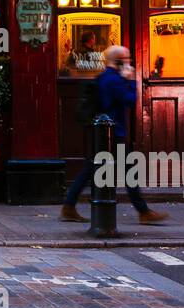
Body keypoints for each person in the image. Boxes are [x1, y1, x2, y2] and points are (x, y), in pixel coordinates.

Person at [60, 45, 169, 226]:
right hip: (114, 133)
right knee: (129, 172)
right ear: (118, 61)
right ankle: (143, 211)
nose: (130, 62)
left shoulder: (104, 77)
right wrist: (131, 80)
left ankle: (69, 206)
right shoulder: (114, 80)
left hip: (103, 133)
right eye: (127, 59)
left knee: (90, 169)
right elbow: (129, 100)